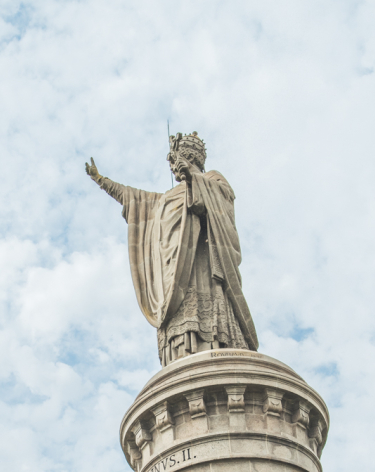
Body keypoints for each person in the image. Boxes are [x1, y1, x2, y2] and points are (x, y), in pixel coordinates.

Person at [86, 132, 258, 366]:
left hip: (204, 264)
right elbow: (133, 198)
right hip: (174, 279)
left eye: (174, 161)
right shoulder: (165, 198)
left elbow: (221, 204)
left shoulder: (213, 180)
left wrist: (193, 180)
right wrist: (101, 180)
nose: (172, 167)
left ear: (187, 158)